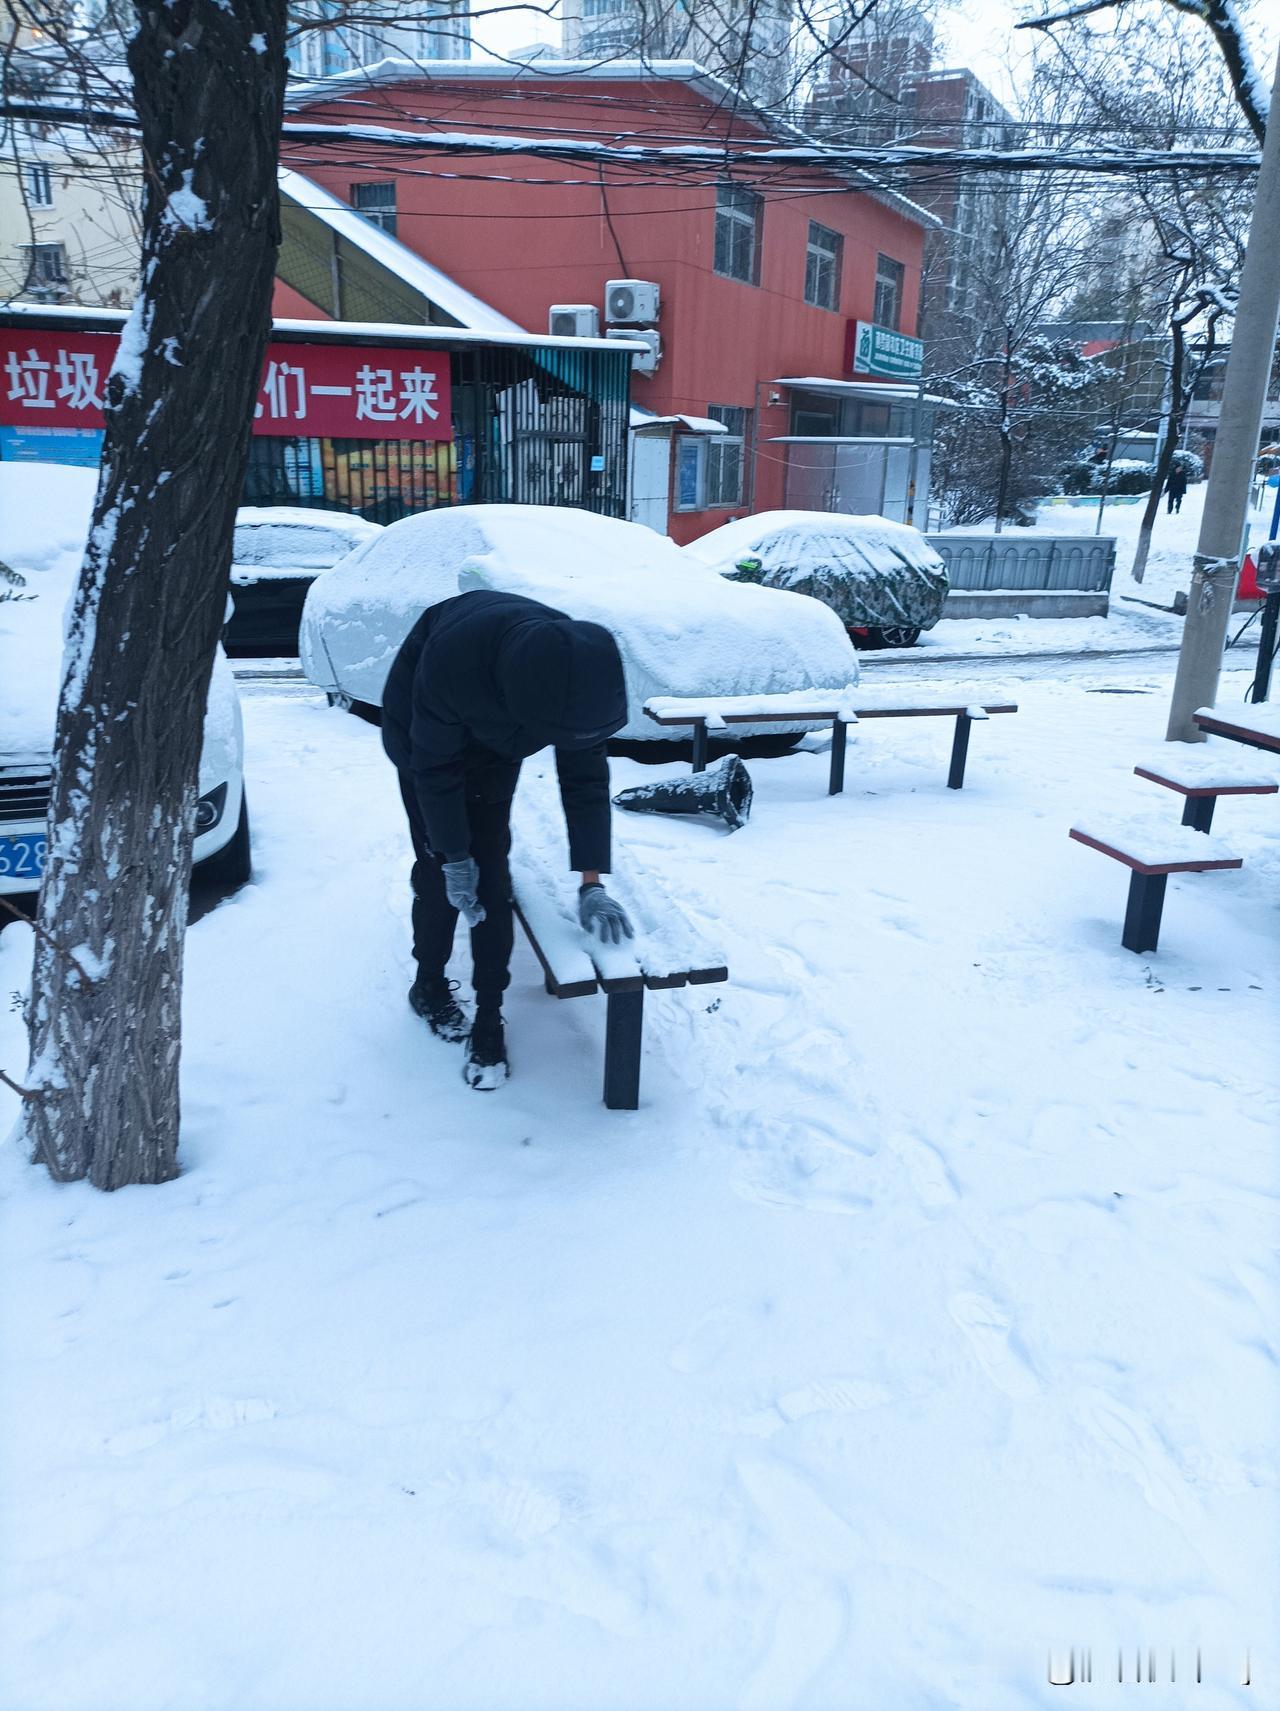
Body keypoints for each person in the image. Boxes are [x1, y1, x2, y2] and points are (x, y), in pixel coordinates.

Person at [381, 588, 634, 1090]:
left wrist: (591, 882)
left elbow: (585, 781)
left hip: (500, 737)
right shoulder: (453, 663)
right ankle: (427, 983)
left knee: (491, 870)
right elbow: (435, 770)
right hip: (422, 734)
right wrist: (452, 855)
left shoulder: (576, 673)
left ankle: (489, 1015)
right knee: (444, 871)